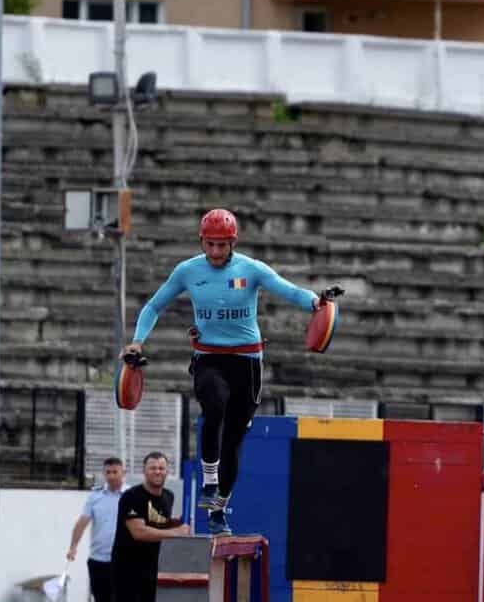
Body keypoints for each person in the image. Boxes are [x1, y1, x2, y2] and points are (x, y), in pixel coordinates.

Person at [123, 208, 335, 536]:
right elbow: (154, 306)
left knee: (234, 439)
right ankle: (209, 480)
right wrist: (137, 341)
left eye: (223, 245)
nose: (216, 252)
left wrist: (315, 302)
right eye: (210, 244)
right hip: (209, 357)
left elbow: (287, 289)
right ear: (202, 241)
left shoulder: (250, 269)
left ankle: (219, 509)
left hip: (247, 361)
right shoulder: (188, 270)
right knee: (214, 405)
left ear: (233, 242)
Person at [112, 452, 191, 602]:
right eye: (153, 468)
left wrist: (180, 525)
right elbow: (140, 532)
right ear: (144, 471)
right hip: (126, 569)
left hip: (151, 570)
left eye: (161, 468)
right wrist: (176, 532)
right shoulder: (131, 497)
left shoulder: (168, 497)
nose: (157, 472)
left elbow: (161, 525)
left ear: (167, 472)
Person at [68, 456, 128, 602]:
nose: (112, 476)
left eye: (116, 472)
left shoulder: (130, 495)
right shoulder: (95, 497)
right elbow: (83, 522)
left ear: (123, 473)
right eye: (108, 472)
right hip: (98, 560)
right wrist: (73, 547)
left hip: (122, 560)